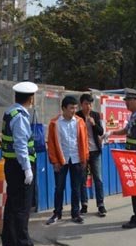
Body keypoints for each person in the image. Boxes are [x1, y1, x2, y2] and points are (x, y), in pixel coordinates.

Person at [104, 88, 136, 229]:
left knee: (134, 188)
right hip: (133, 156)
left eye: (128, 100)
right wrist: (112, 132)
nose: (126, 103)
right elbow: (127, 130)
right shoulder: (134, 116)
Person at [1, 81, 38, 246]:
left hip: (11, 165)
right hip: (20, 167)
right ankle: (23, 242)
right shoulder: (21, 117)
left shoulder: (10, 112)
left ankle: (9, 240)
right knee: (22, 208)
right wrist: (27, 169)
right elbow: (21, 145)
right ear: (31, 98)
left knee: (12, 205)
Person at [46, 95, 89, 225]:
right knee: (59, 188)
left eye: (75, 108)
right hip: (61, 159)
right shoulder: (55, 123)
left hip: (76, 159)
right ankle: (57, 213)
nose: (74, 111)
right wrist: (54, 161)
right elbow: (51, 143)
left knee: (76, 188)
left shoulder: (80, 122)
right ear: (63, 108)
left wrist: (85, 158)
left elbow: (85, 141)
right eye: (71, 108)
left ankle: (75, 214)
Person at [76, 93, 107, 217]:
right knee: (82, 179)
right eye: (85, 104)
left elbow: (101, 131)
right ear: (81, 104)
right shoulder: (77, 116)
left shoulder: (95, 115)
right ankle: (84, 204)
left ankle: (101, 205)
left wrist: (94, 124)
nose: (88, 106)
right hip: (82, 152)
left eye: (90, 104)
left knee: (98, 178)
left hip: (95, 151)